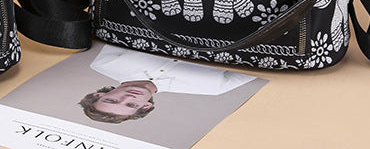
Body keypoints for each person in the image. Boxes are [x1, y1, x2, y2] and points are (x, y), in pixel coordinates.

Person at [78, 45, 252, 124]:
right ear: (145, 106)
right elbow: (258, 69)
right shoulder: (213, 88)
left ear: (99, 95)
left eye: (112, 100)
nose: (128, 98)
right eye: (131, 105)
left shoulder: (103, 64)